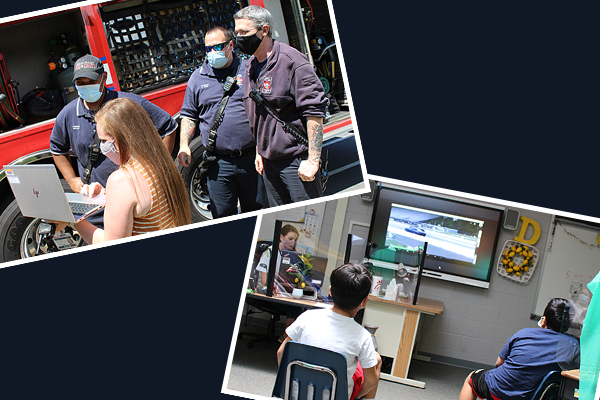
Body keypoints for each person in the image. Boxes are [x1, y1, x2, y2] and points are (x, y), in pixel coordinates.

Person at [50, 54, 178, 227]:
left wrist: (157, 171)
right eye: (81, 83)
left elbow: (168, 127)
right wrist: (72, 179)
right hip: (96, 205)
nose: (86, 87)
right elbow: (57, 149)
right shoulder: (67, 114)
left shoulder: (126, 104)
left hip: (136, 202)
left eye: (91, 81)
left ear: (104, 78)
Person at [58, 97, 191, 244]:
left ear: (123, 138)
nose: (102, 149)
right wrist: (108, 194)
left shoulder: (122, 180)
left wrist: (72, 218)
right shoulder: (157, 161)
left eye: (103, 141)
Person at [233, 5, 329, 206]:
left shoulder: (292, 62)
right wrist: (260, 151)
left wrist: (312, 161)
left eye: (244, 32)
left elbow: (314, 112)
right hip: (269, 163)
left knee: (308, 216)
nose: (238, 38)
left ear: (264, 30)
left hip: (295, 161)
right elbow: (259, 115)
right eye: (237, 32)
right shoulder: (250, 66)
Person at [178, 26, 264, 218]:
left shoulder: (249, 69)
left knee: (257, 211)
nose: (211, 53)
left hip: (252, 158)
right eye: (208, 49)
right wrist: (184, 144)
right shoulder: (197, 78)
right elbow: (189, 115)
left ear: (231, 45)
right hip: (218, 163)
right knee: (222, 215)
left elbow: (264, 110)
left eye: (217, 47)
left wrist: (262, 149)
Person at [277, 263, 382, 400]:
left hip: (296, 394)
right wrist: (354, 396)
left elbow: (281, 353)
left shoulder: (307, 317)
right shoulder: (363, 336)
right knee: (376, 360)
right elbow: (371, 381)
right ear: (365, 301)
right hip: (336, 396)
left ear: (330, 291)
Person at [459, 298, 580, 400]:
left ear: (543, 320)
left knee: (471, 379)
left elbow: (498, 363)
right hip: (534, 396)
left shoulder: (524, 333)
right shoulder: (573, 345)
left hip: (499, 391)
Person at [255, 224, 305, 342]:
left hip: (283, 294)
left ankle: (286, 337)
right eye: (290, 239)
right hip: (267, 293)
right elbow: (264, 282)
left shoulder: (291, 256)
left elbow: (293, 281)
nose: (293, 243)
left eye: (295, 240)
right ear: (281, 237)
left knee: (301, 307)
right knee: (296, 308)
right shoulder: (269, 253)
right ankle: (286, 338)